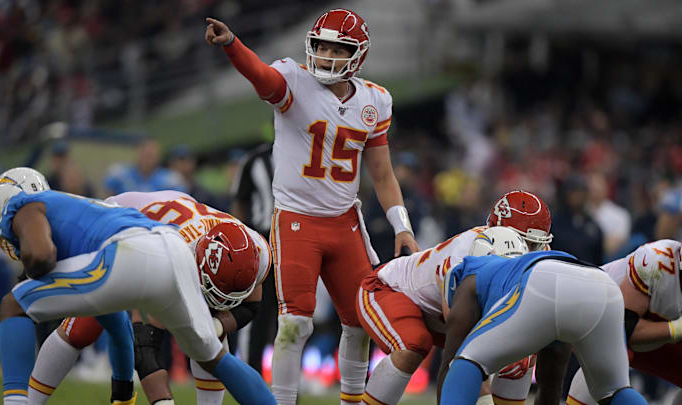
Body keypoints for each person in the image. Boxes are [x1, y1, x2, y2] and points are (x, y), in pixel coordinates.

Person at [205, 8, 420, 405]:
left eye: (336, 49)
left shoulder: (375, 101)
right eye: (320, 46)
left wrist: (401, 226)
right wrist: (233, 46)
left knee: (360, 322)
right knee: (294, 324)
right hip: (296, 221)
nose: (324, 55)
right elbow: (260, 74)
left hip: (344, 223)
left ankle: (352, 401)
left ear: (358, 55)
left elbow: (383, 175)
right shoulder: (294, 81)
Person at [0, 168, 276, 405]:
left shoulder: (251, 249)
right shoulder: (210, 249)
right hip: (151, 233)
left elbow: (40, 255)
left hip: (139, 242)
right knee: (211, 353)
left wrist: (30, 278)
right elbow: (129, 332)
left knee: (15, 305)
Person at [436, 251, 648, 405]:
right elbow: (551, 385)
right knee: (615, 391)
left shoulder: (468, 274)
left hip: (542, 280)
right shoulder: (505, 269)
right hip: (603, 285)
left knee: (466, 361)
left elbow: (452, 361)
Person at [357, 226, 528, 405]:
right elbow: (456, 351)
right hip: (390, 287)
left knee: (516, 358)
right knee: (417, 346)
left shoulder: (519, 254)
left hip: (438, 313)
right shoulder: (461, 266)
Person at [567, 220, 682, 405]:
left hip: (658, 334)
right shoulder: (657, 262)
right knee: (609, 377)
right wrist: (680, 328)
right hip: (604, 321)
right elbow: (624, 328)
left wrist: (681, 329)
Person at [231, 142, 278, 374]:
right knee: (257, 312)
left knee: (293, 317)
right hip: (263, 242)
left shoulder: (305, 154)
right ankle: (252, 375)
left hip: (297, 244)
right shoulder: (254, 160)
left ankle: (286, 385)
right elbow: (239, 202)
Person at [103, 137, 185, 196]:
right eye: (145, 155)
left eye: (151, 155)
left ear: (158, 157)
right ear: (138, 153)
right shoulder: (120, 173)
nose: (147, 160)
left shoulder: (170, 179)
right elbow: (108, 199)